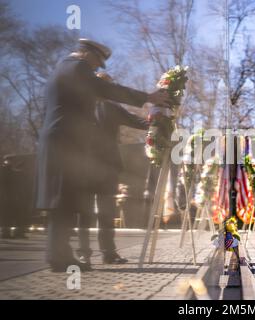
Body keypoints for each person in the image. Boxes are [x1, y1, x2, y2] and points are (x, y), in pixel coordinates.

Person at [36, 38, 172, 272]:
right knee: (63, 199)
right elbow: (107, 89)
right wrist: (148, 97)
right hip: (64, 142)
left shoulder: (63, 68)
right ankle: (59, 256)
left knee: (64, 199)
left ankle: (58, 255)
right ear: (87, 54)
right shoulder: (76, 68)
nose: (97, 68)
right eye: (97, 63)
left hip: (61, 141)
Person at [76, 72, 151, 265]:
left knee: (100, 211)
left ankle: (97, 252)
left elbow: (139, 121)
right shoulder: (91, 106)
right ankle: (97, 252)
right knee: (95, 211)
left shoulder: (104, 106)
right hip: (95, 165)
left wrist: (160, 118)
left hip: (98, 166)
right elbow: (139, 122)